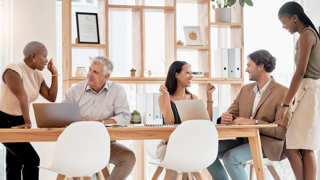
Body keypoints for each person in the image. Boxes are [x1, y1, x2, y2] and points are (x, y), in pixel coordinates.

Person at [207, 50, 292, 180]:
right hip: (244, 140)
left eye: (249, 65)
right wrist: (223, 118)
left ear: (261, 66)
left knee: (231, 158)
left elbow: (281, 131)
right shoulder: (246, 89)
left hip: (267, 144)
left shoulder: (283, 92)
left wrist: (254, 122)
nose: (246, 70)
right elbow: (232, 114)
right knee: (207, 150)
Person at [62, 56, 135, 180]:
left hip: (106, 145)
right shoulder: (74, 92)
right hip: (79, 144)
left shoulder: (117, 90)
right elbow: (61, 117)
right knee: (78, 166)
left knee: (128, 158)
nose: (89, 74)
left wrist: (98, 123)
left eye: (95, 72)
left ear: (106, 76)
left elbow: (124, 117)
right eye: (90, 69)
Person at [0, 41, 58, 180]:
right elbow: (22, 95)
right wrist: (28, 122)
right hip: (3, 119)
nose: (46, 60)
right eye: (44, 56)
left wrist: (54, 74)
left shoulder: (37, 75)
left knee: (15, 163)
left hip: (18, 119)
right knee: (32, 160)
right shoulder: (13, 70)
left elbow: (51, 97)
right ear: (33, 56)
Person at [276, 2, 320, 180]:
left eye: (284, 21)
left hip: (308, 91)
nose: (283, 26)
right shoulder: (308, 33)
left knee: (300, 146)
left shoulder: (306, 34)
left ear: (295, 18)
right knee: (299, 145)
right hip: (308, 91)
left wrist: (285, 105)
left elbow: (300, 73)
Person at [156, 60, 216, 161]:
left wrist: (209, 96)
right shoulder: (163, 98)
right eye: (188, 72)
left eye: (191, 73)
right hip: (169, 143)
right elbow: (170, 122)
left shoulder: (193, 98)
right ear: (176, 75)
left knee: (188, 155)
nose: (191, 76)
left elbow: (207, 122)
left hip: (189, 142)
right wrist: (167, 95)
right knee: (173, 154)